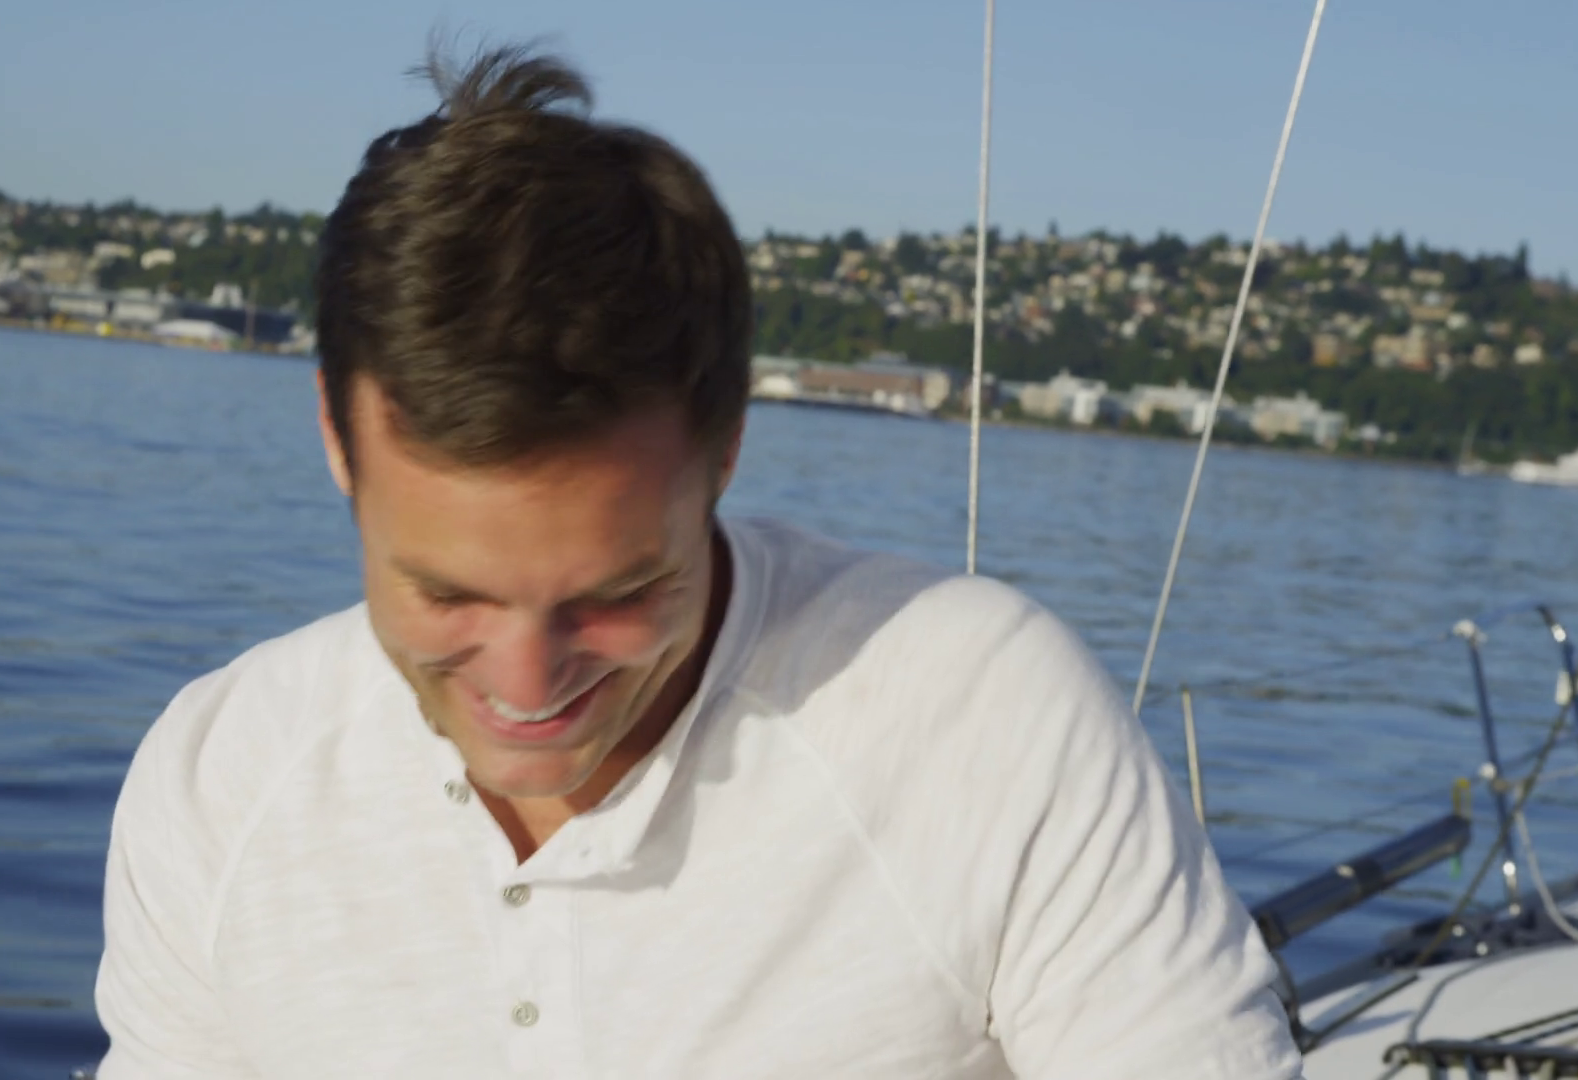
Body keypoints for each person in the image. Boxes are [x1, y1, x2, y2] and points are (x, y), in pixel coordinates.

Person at [93, 42, 1303, 1079]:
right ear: (335, 442)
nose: (526, 683)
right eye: (446, 592)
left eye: (614, 594)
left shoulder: (978, 723)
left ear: (727, 448)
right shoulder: (219, 781)